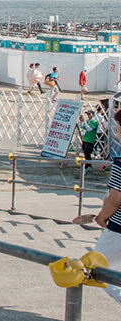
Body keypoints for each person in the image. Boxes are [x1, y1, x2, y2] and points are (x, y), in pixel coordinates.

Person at [73, 109, 121, 306]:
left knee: (99, 272)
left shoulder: (120, 162)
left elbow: (116, 198)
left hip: (118, 230)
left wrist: (102, 217)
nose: (117, 132)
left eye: (118, 127)